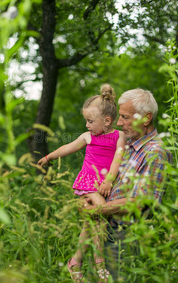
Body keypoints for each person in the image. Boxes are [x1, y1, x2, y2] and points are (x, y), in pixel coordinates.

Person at [80, 88, 173, 282]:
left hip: (125, 240)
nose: (119, 122)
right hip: (104, 232)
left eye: (125, 117)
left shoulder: (155, 152)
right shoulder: (128, 145)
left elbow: (140, 202)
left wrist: (98, 210)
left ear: (146, 118)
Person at [37, 84, 126, 282]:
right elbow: (68, 147)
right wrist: (49, 156)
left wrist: (109, 181)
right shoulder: (88, 136)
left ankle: (75, 263)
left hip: (105, 185)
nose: (86, 125)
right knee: (101, 214)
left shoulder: (119, 136)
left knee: (90, 225)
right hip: (88, 184)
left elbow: (117, 159)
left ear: (107, 121)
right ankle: (100, 263)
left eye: (90, 121)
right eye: (86, 121)